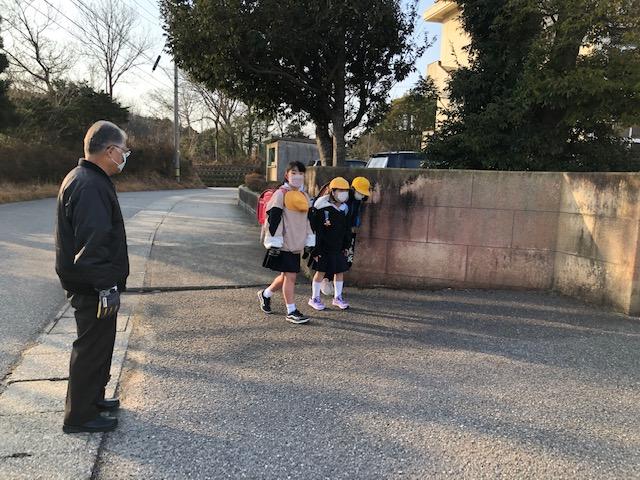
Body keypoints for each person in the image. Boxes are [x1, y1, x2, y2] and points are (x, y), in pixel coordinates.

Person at [55, 120, 130, 433]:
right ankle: (80, 416)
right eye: (124, 150)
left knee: (100, 345)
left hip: (93, 282)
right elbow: (93, 242)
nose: (125, 156)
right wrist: (105, 286)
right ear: (110, 150)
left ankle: (94, 399)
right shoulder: (89, 185)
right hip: (92, 285)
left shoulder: (89, 179)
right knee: (90, 348)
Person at [257, 161, 315, 324]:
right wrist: (274, 242)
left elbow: (309, 221)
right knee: (291, 277)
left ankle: (265, 294)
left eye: (301, 173)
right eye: (294, 173)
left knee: (285, 276)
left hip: (296, 244)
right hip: (283, 243)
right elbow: (273, 219)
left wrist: (310, 241)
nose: (297, 176)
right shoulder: (280, 194)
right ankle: (291, 311)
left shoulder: (304, 196)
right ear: (286, 175)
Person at [320, 176, 372, 296]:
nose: (362, 195)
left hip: (348, 233)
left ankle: (333, 284)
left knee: (344, 259)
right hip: (337, 234)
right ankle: (326, 280)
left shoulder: (356, 201)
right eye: (360, 192)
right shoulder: (343, 200)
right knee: (333, 257)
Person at [308, 177, 352, 310]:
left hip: (338, 247)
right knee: (320, 272)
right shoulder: (320, 207)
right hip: (323, 248)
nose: (343, 193)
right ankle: (314, 298)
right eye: (340, 190)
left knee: (339, 272)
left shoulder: (344, 209)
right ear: (332, 191)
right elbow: (316, 230)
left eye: (346, 191)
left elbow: (346, 229)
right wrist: (314, 250)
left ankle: (338, 297)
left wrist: (346, 245)